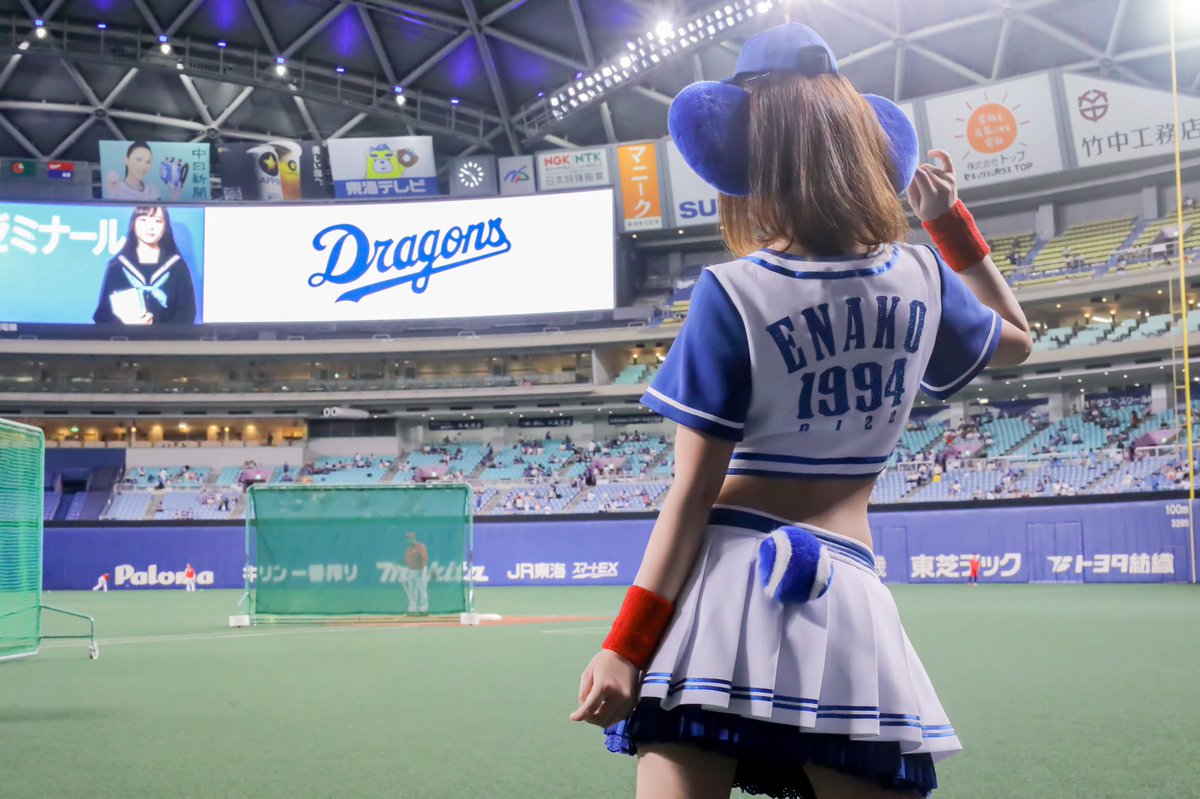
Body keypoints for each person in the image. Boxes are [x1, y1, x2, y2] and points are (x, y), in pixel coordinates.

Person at [571, 24, 1032, 799]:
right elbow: (1018, 339)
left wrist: (625, 643)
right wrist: (950, 223)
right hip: (848, 596)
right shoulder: (923, 276)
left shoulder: (733, 291)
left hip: (720, 588)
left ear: (752, 160)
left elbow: (691, 496)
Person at [93, 206, 197, 325]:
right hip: (126, 337)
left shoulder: (177, 266)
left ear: (165, 226)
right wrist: (126, 324)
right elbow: (102, 316)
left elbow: (187, 313)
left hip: (167, 337)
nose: (151, 227)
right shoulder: (117, 267)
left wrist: (159, 332)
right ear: (134, 223)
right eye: (143, 219)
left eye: (158, 221)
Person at [403, 531, 429, 613]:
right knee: (412, 590)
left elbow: (424, 559)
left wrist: (421, 570)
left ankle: (424, 607)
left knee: (422, 589)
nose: (408, 540)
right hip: (412, 571)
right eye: (407, 539)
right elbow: (407, 561)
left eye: (410, 538)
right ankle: (413, 607)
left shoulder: (420, 547)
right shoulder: (408, 549)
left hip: (420, 570)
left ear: (413, 538)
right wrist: (398, 563)